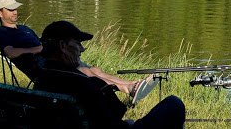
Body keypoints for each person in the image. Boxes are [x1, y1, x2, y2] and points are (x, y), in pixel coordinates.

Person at [0, 0, 153, 103]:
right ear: (0, 13)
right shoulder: (2, 33)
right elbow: (9, 52)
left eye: (15, 8)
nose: (15, 12)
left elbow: (42, 42)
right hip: (42, 68)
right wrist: (37, 49)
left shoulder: (24, 28)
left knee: (94, 69)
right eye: (10, 9)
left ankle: (131, 85)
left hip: (53, 57)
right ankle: (127, 88)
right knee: (87, 73)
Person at [35, 20, 185, 128]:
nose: (82, 49)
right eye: (78, 43)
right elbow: (114, 118)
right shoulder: (87, 84)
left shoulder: (41, 80)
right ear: (63, 46)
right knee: (174, 104)